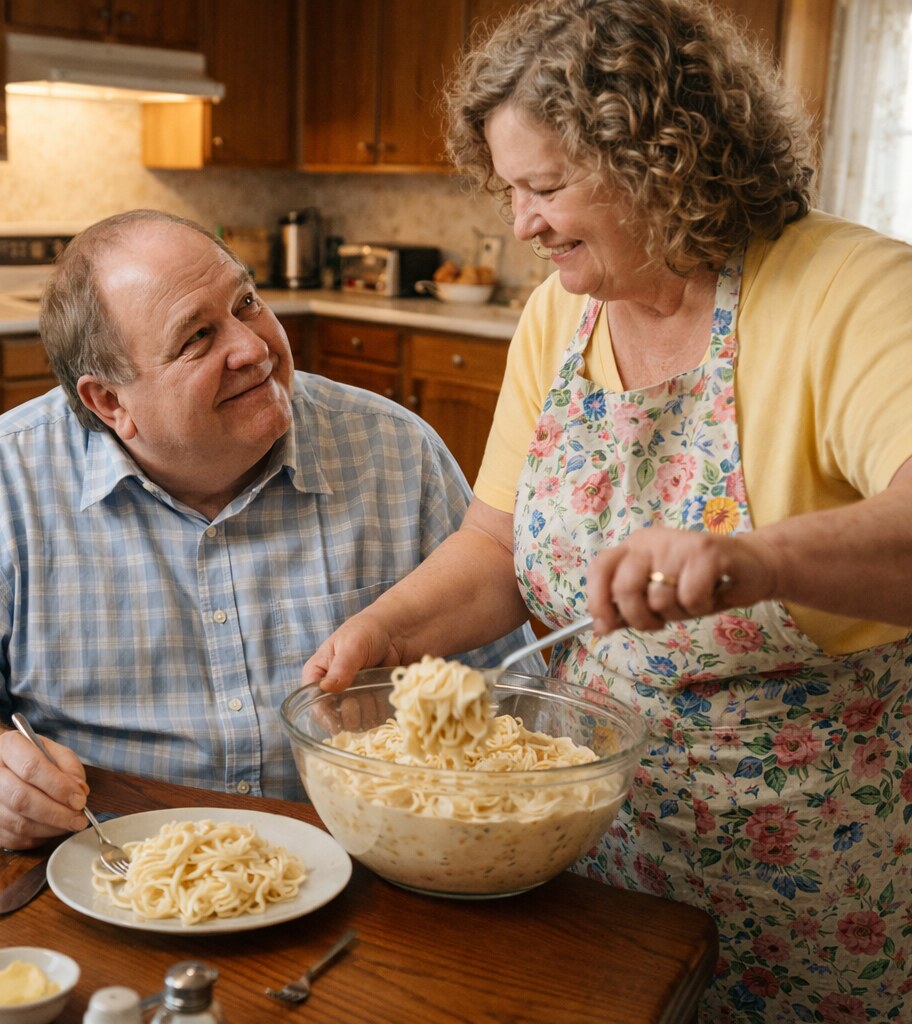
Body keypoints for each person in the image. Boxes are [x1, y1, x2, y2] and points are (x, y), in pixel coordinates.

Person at [303, 2, 912, 1020]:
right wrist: (382, 634)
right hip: (589, 847)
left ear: (664, 159)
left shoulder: (850, 290)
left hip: (815, 870)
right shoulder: (559, 313)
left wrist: (755, 561)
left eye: (545, 186)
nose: (521, 223)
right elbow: (496, 543)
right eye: (508, 189)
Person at [0, 209, 541, 853]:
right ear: (109, 402)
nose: (254, 347)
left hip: (374, 857)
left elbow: (513, 695)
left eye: (248, 302)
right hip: (113, 870)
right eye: (197, 337)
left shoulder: (398, 454)